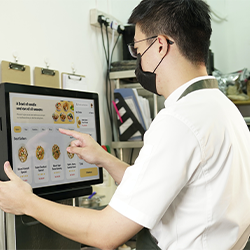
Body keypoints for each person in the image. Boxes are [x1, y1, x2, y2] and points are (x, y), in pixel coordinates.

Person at [1, 0, 250, 249]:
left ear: (161, 46)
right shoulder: (221, 108)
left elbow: (104, 233)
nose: (139, 61)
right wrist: (104, 159)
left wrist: (26, 203)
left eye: (139, 51)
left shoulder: (179, 121)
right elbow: (162, 182)